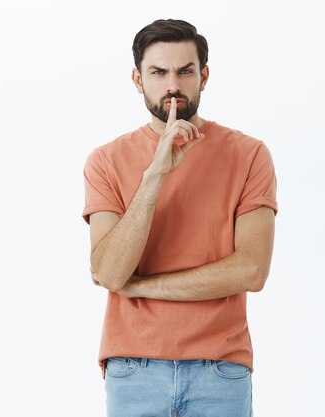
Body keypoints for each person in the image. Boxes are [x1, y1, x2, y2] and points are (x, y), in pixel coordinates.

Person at [82, 19, 277, 417]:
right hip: (135, 369)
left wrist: (141, 288)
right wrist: (155, 174)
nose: (173, 84)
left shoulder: (249, 155)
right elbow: (111, 271)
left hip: (220, 369)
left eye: (185, 71)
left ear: (203, 76)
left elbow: (252, 270)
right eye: (158, 72)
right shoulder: (105, 161)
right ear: (138, 79)